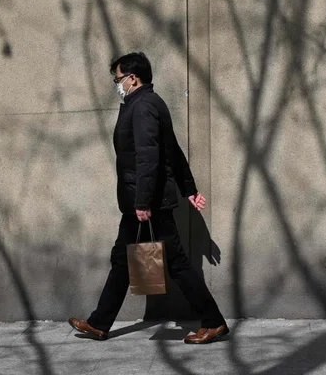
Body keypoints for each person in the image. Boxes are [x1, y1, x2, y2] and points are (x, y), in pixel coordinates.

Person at [68, 52, 229, 344]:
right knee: (121, 259)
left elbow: (149, 158)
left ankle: (214, 322)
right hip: (141, 199)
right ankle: (99, 323)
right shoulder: (148, 104)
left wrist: (142, 202)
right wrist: (189, 190)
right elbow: (174, 152)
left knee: (176, 263)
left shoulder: (142, 108)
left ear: (132, 78)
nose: (116, 84)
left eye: (117, 79)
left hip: (147, 202)